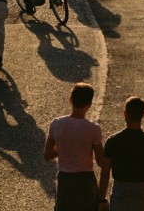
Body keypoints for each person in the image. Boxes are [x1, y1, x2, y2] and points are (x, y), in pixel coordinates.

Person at [97, 96, 144, 211]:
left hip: (120, 193)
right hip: (143, 193)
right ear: (143, 114)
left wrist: (101, 199)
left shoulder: (113, 141)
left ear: (125, 114)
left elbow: (105, 172)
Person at [44, 83, 104, 211]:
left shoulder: (56, 124)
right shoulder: (94, 129)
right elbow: (101, 161)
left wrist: (64, 148)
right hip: (86, 181)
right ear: (89, 105)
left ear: (70, 100)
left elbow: (47, 155)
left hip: (65, 180)